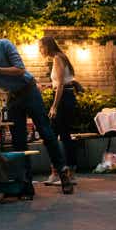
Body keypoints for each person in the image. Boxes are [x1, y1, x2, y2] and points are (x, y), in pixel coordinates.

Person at [0, 27, 74, 194]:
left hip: (29, 90)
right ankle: (26, 183)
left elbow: (20, 69)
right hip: (13, 97)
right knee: (18, 141)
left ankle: (63, 172)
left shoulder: (3, 45)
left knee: (46, 132)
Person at [39, 36, 79, 186]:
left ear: (47, 46)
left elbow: (61, 84)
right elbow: (60, 83)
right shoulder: (60, 57)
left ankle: (59, 173)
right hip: (66, 97)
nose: (40, 50)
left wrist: (54, 106)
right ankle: (65, 173)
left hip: (64, 100)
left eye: (41, 47)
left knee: (55, 136)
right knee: (62, 136)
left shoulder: (57, 58)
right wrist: (48, 87)